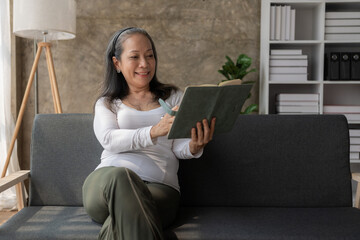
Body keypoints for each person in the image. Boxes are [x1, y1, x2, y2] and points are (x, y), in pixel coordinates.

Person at [82, 27, 216, 240]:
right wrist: (153, 131)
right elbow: (109, 140)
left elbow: (178, 147)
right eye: (134, 57)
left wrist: (194, 146)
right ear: (117, 63)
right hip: (105, 184)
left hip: (159, 189)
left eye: (150, 55)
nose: (144, 64)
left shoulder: (173, 97)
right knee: (120, 176)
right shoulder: (107, 103)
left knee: (124, 217)